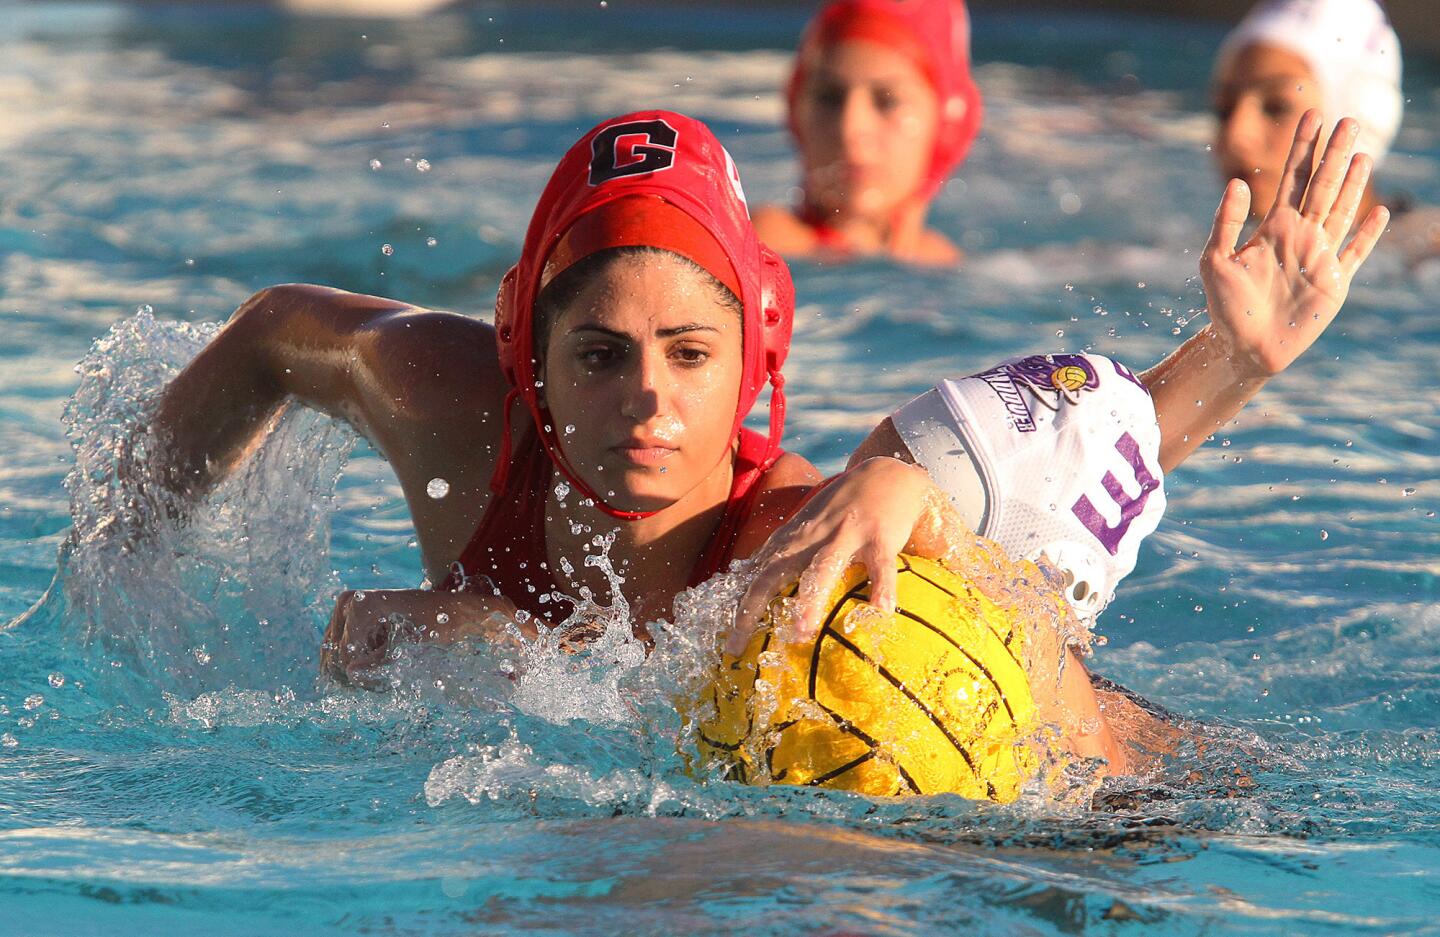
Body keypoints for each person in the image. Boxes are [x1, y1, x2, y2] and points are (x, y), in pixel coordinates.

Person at [144, 108, 1384, 782]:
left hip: (1160, 784)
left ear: (755, 361)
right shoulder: (448, 408)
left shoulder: (795, 546)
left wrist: (1241, 359)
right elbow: (271, 334)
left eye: (690, 354)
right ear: (528, 353)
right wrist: (129, 558)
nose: (648, 402)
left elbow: (1058, 496)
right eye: (599, 355)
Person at [753, 0, 981, 265]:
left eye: (888, 101)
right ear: (795, 109)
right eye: (829, 97)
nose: (850, 129)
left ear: (947, 124)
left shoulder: (945, 262)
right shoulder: (759, 245)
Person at [1213, 0, 1439, 263]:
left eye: (1277, 108)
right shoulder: (1206, 255)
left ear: (1361, 120)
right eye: (1224, 110)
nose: (1235, 137)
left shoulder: (1429, 252)